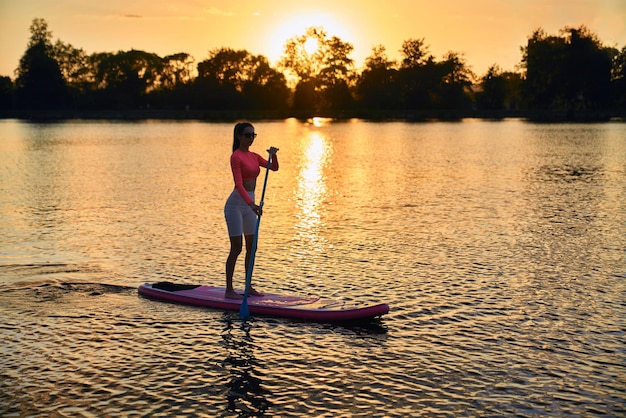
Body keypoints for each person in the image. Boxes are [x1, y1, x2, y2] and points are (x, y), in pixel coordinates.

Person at [224, 122, 279, 299]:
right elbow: (239, 185)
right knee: (236, 248)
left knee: (252, 247)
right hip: (236, 206)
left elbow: (273, 167)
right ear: (239, 136)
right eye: (247, 135)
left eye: (253, 135)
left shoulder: (254, 156)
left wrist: (273, 156)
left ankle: (248, 287)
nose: (250, 138)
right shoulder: (236, 157)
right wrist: (251, 204)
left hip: (250, 206)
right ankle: (229, 290)